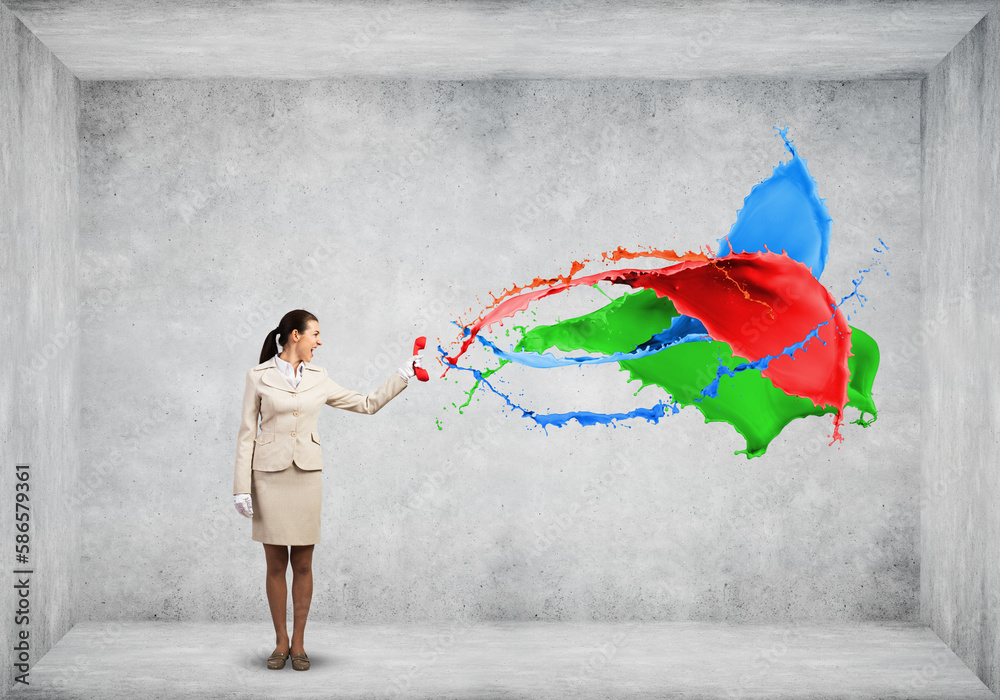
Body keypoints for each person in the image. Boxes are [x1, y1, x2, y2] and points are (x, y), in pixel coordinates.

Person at [232, 309, 421, 671]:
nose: (320, 341)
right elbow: (246, 435)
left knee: (302, 563)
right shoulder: (257, 377)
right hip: (268, 477)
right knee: (275, 564)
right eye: (315, 334)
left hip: (306, 476)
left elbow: (367, 404)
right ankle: (280, 643)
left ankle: (299, 644)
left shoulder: (320, 378)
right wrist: (241, 488)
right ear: (294, 336)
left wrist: (403, 374)